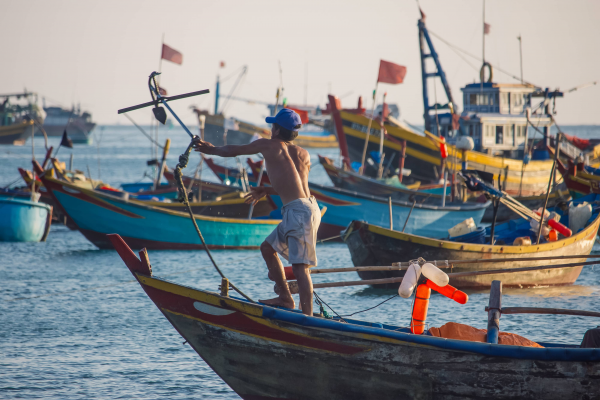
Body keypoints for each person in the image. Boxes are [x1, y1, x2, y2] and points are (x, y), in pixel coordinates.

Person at [193, 108, 321, 316]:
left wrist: (211, 149)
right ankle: (286, 298)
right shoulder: (303, 154)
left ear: (278, 130)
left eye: (273, 126)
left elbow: (234, 150)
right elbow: (296, 186)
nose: (271, 129)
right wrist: (267, 190)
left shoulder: (268, 145)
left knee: (300, 268)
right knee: (267, 248)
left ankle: (307, 318)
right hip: (307, 208)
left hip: (298, 212)